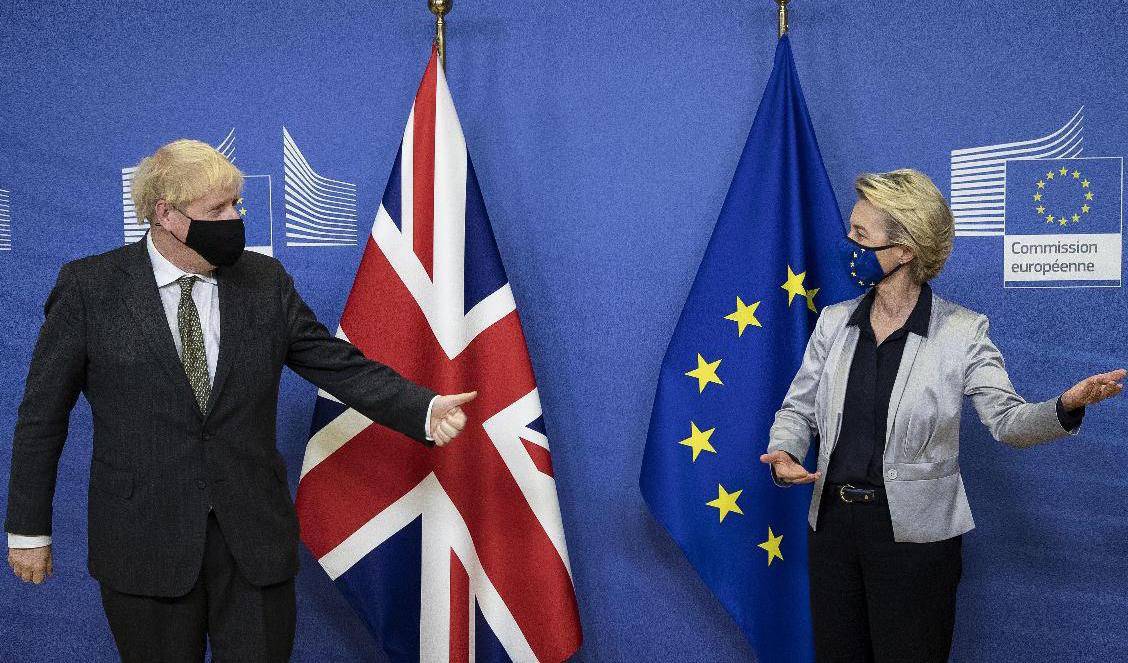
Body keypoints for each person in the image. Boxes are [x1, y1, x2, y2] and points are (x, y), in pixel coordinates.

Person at [5, 139, 477, 661]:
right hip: (144, 541)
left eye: (236, 205)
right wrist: (28, 528)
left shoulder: (264, 282)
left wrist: (421, 408)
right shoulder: (90, 288)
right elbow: (42, 417)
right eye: (217, 209)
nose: (234, 218)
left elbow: (335, 363)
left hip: (253, 540)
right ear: (166, 215)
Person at [759, 169, 1124, 662]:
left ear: (905, 249)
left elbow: (1008, 424)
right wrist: (784, 449)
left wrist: (1066, 406)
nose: (847, 244)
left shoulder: (963, 332)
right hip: (833, 532)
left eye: (860, 235)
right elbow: (797, 408)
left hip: (917, 541)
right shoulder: (832, 322)